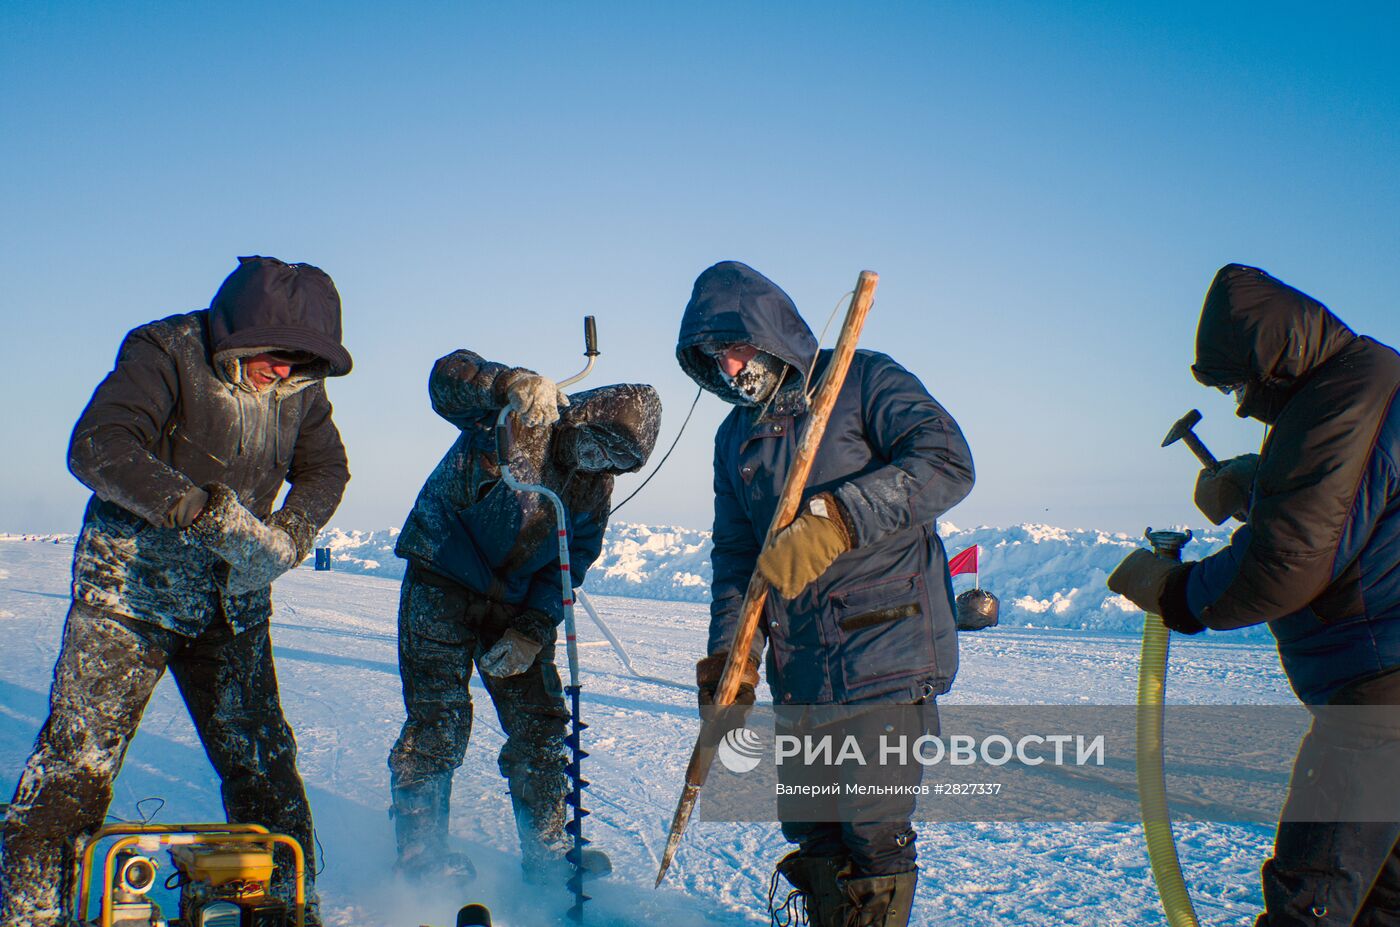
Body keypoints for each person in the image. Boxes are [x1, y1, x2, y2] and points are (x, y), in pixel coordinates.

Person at [0, 256, 353, 927]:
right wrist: (189, 507)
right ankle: (32, 912)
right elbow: (98, 444)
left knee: (265, 764)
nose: (283, 371)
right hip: (131, 593)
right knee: (79, 759)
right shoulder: (166, 351)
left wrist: (288, 534)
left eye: (301, 361)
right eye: (273, 355)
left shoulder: (300, 390)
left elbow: (326, 467)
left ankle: (286, 904)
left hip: (231, 602)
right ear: (238, 332)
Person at [675, 261, 975, 927]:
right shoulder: (734, 438)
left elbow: (948, 462)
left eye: (735, 347)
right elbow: (736, 559)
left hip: (885, 643)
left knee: (871, 829)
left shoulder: (864, 379)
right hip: (802, 662)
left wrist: (837, 521)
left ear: (768, 330)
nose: (729, 369)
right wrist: (730, 661)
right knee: (813, 826)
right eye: (713, 359)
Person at [1108, 263, 1400, 927]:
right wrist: (1258, 485)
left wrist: (1174, 589)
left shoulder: (1339, 401)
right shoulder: (1370, 378)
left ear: (1270, 355)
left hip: (1380, 700)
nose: (1241, 404)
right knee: (1383, 904)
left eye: (1240, 382)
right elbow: (1354, 514)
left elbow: (1285, 563)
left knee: (1313, 902)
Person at [388, 349, 660, 885]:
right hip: (441, 578)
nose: (602, 463)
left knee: (540, 725)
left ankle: (547, 852)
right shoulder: (515, 422)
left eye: (618, 461)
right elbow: (449, 378)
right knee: (438, 720)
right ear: (583, 419)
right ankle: (420, 857)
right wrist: (507, 383)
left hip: (512, 606)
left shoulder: (593, 485)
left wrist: (533, 628)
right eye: (600, 445)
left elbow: (569, 562)